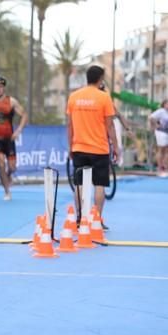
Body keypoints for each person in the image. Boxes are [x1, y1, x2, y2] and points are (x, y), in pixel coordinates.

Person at [66, 65, 118, 223]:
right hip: (99, 149)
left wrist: (70, 147)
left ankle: (80, 218)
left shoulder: (73, 97)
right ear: (100, 79)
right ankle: (96, 220)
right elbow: (109, 125)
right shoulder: (104, 97)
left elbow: (70, 125)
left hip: (79, 147)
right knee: (99, 185)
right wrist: (115, 146)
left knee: (79, 185)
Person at [148, 99, 168, 177]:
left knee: (167, 150)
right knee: (161, 149)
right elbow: (151, 117)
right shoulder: (161, 111)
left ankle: (165, 167)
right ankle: (160, 168)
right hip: (161, 132)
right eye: (167, 104)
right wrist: (155, 125)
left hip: (167, 132)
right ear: (164, 104)